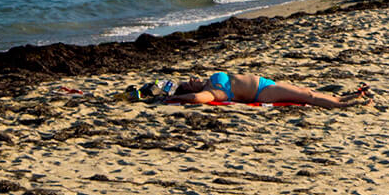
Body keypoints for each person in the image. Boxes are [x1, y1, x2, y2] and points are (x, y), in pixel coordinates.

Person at [140, 73, 373, 108]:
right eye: (188, 81)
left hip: (265, 83)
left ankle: (343, 96)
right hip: (263, 93)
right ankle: (344, 104)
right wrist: (175, 97)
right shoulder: (212, 93)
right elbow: (195, 99)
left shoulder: (212, 81)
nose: (192, 79)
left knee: (305, 89)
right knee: (307, 97)